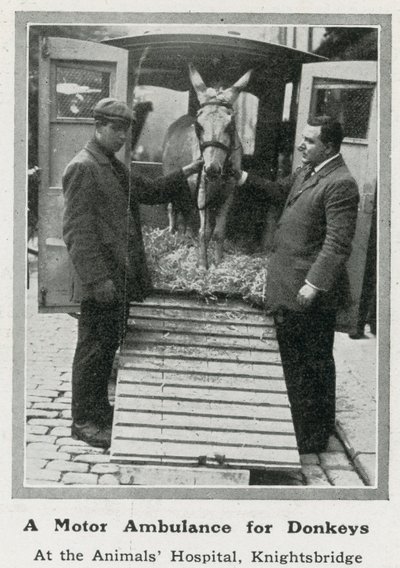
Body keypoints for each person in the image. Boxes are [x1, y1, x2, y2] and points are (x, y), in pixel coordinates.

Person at [62, 98, 202, 449]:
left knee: (107, 346)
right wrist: (97, 281)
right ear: (99, 126)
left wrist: (188, 170)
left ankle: (99, 409)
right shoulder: (84, 167)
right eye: (117, 129)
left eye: (127, 130)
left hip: (117, 278)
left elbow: (150, 191)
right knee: (93, 349)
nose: (123, 136)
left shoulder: (110, 165)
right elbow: (77, 233)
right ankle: (83, 421)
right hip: (102, 281)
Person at [235, 116, 359, 454]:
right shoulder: (309, 171)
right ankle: (299, 427)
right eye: (303, 139)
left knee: (314, 363)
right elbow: (277, 191)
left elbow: (337, 243)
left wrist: (313, 284)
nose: (301, 145)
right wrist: (240, 175)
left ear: (329, 146)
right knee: (294, 362)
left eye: (309, 140)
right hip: (289, 287)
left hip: (309, 293)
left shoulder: (341, 183)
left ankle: (313, 436)